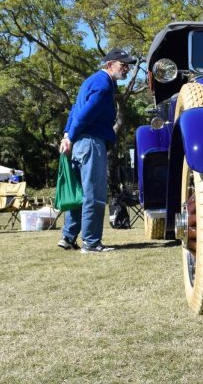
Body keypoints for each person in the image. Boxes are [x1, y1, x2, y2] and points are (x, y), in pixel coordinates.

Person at [58, 48, 136, 253]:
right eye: (123, 64)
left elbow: (74, 109)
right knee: (94, 194)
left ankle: (67, 237)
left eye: (128, 65)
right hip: (91, 143)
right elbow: (84, 114)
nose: (127, 68)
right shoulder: (103, 85)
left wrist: (67, 135)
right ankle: (91, 243)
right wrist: (70, 137)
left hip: (79, 144)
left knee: (80, 193)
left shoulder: (90, 81)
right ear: (109, 65)